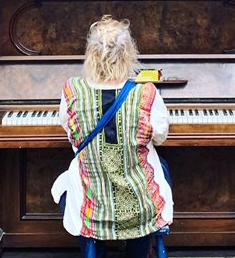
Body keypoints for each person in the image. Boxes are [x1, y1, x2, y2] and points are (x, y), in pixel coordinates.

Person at [51, 15, 173, 257]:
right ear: (128, 53)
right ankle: (138, 248)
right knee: (162, 166)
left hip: (92, 205)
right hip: (139, 208)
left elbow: (69, 131)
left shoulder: (72, 90)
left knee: (70, 182)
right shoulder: (146, 93)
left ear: (91, 54)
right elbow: (161, 136)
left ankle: (95, 244)